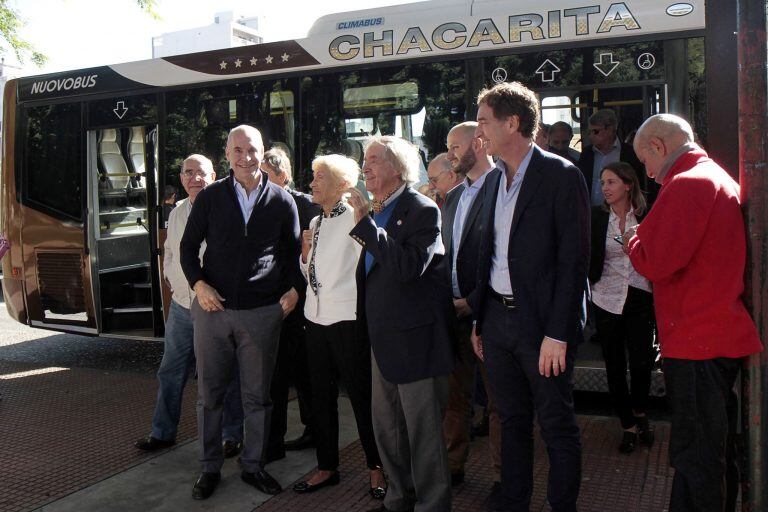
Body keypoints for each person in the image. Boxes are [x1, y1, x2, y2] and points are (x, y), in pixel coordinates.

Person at [625, 114, 762, 512]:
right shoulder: (713, 176)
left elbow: (655, 260)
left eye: (646, 162)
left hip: (696, 340)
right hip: (712, 336)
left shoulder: (687, 183)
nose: (649, 174)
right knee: (711, 452)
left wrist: (631, 238)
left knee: (696, 455)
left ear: (658, 146)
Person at [468, 82, 589, 512]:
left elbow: (575, 261)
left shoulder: (561, 175)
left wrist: (558, 333)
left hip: (542, 327)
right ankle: (514, 502)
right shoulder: (491, 181)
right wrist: (480, 320)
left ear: (512, 123)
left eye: (484, 121)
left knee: (556, 424)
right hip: (497, 322)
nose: (478, 132)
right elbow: (487, 255)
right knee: (512, 420)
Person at [180, 125, 302, 500]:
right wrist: (199, 285)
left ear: (263, 152)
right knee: (210, 396)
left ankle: (253, 465)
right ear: (227, 154)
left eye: (252, 150)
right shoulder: (211, 197)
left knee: (258, 398)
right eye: (238, 150)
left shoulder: (282, 200)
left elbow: (292, 253)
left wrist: (295, 289)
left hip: (261, 314)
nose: (245, 158)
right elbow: (187, 249)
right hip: (213, 311)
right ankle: (209, 468)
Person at [347, 136, 455, 512]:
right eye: (365, 160)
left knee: (423, 434)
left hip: (416, 343)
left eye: (374, 160)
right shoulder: (376, 211)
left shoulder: (421, 209)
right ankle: (397, 500)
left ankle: (432, 505)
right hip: (382, 340)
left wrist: (366, 226)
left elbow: (409, 267)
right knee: (388, 429)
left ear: (398, 168)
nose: (365, 167)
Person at [135, 155, 244, 458]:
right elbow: (170, 251)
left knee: (224, 373)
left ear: (214, 176)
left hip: (214, 307)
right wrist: (171, 278)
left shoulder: (229, 208)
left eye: (201, 173)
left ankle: (231, 435)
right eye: (188, 172)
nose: (195, 178)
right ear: (181, 177)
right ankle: (162, 432)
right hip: (182, 307)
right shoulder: (178, 212)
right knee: (170, 371)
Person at [291, 155, 386, 500]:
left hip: (348, 320)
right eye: (313, 176)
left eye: (320, 177)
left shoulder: (356, 218)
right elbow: (311, 276)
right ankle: (326, 466)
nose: (312, 183)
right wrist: (304, 255)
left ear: (343, 184)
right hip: (315, 318)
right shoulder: (315, 221)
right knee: (320, 398)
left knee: (362, 398)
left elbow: (370, 267)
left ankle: (377, 467)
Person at [441, 121, 501, 488]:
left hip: (490, 313)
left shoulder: (503, 187)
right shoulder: (452, 197)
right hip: (453, 316)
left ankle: (502, 477)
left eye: (454, 146)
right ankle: (452, 467)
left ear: (478, 143)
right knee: (454, 397)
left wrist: (472, 301)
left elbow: (504, 258)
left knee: (499, 402)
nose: (449, 154)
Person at [589, 161, 655, 454]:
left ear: (628, 185)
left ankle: (640, 412)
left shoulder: (646, 214)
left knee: (642, 362)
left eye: (611, 182)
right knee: (614, 364)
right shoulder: (596, 217)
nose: (605, 188)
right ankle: (627, 424)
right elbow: (587, 252)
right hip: (606, 297)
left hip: (640, 294)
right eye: (603, 182)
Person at [261, 146, 319, 459]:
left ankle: (313, 430)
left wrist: (298, 289)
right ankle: (273, 442)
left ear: (282, 175)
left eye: (264, 175)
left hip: (301, 301)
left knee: (303, 371)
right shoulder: (255, 203)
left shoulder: (305, 204)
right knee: (275, 375)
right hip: (268, 300)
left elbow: (312, 254)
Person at [577, 109, 645, 206]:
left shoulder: (630, 153)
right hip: (591, 210)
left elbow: (638, 184)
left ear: (610, 129)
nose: (591, 136)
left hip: (622, 210)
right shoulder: (586, 154)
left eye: (595, 131)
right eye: (589, 132)